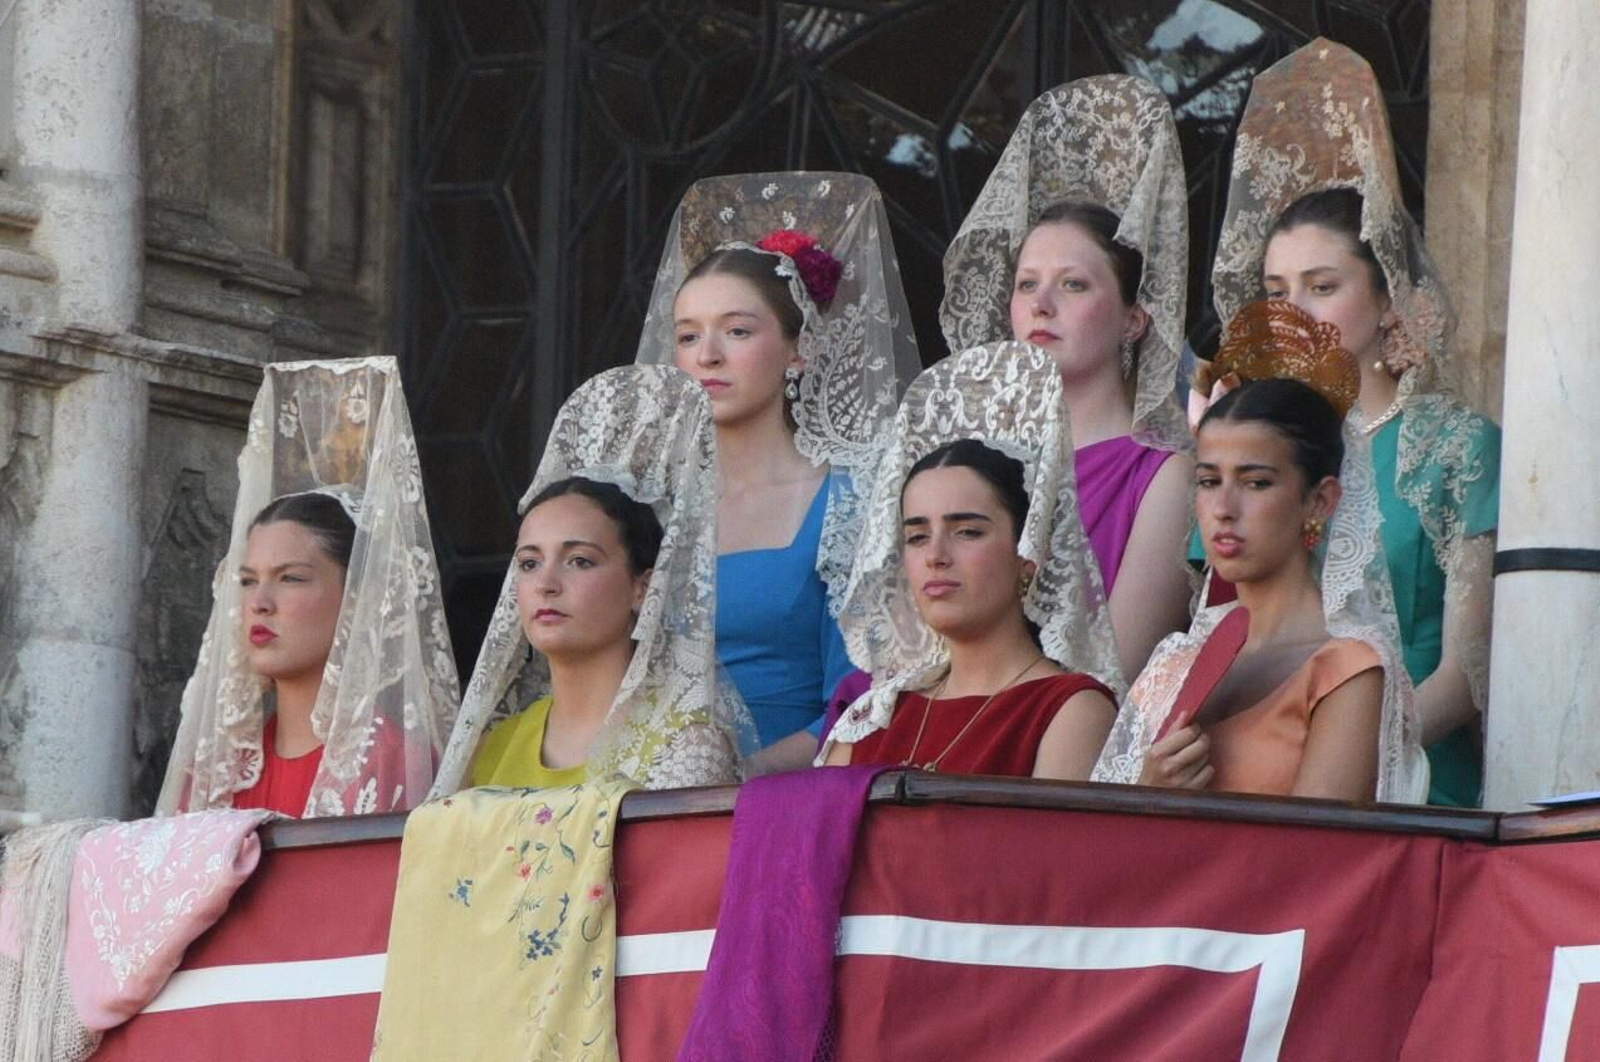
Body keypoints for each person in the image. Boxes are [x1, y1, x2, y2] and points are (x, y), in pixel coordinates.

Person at [1208, 39, 1500, 806]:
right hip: (1255, 777)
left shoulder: (1457, 447)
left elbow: (1468, 670)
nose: (1293, 314)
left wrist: (1347, 753)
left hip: (1411, 781)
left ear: (1387, 299)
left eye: (1322, 285)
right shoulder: (1248, 454)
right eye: (1276, 290)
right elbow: (1214, 637)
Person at [638, 172, 921, 773]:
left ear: (800, 350)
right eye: (688, 336)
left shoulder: (850, 502)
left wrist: (736, 780)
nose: (707, 355)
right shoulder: (651, 509)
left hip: (787, 796)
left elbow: (865, 704)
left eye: (737, 331)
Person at [1094, 303, 1427, 802]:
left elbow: (1319, 843)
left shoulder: (1347, 670)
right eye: (1209, 481)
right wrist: (1149, 792)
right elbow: (1097, 829)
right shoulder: (1176, 662)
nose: (1223, 509)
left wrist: (1165, 812)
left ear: (1320, 500)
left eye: (1256, 482)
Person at [941, 75, 1193, 679]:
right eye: (1026, 284)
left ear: (1134, 318)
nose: (1040, 304)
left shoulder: (1164, 474)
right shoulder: (968, 458)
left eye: (1073, 284)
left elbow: (1115, 672)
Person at [158, 358, 459, 818]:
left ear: (358, 598)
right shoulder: (217, 776)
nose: (259, 603)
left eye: (291, 578)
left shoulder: (394, 761)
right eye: (248, 581)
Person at [432, 365, 753, 793]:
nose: (546, 583)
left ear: (642, 588)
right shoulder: (493, 746)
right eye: (529, 563)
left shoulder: (683, 747)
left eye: (580, 561)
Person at [823, 343, 1121, 779]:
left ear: (1028, 555)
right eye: (917, 536)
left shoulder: (1069, 710)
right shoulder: (872, 718)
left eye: (967, 531)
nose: (936, 556)